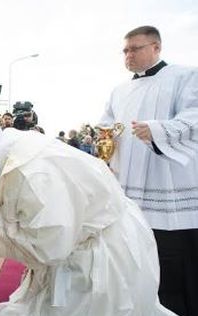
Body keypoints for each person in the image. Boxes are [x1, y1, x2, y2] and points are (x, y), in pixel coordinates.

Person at [0, 130, 175, 316]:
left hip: (102, 250)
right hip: (94, 227)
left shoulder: (29, 175)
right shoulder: (2, 147)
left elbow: (48, 248)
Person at [99, 25, 198, 315]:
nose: (128, 55)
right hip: (130, 189)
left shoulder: (186, 75)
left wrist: (158, 131)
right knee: (136, 260)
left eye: (136, 49)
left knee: (173, 266)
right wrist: (103, 137)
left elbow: (195, 118)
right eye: (125, 50)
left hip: (169, 191)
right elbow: (107, 125)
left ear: (156, 47)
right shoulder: (119, 90)